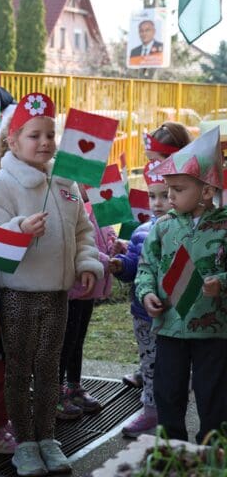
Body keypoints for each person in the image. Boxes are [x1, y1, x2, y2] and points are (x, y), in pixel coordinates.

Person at [0, 93, 102, 476]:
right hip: (18, 295)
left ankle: (47, 438)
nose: (45, 142)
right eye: (34, 135)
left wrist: (86, 262)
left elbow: (83, 230)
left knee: (50, 368)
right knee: (18, 370)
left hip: (57, 295)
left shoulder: (66, 181)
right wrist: (19, 228)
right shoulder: (1, 184)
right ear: (13, 141)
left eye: (50, 134)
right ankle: (24, 444)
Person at [135, 129, 227, 444]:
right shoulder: (163, 227)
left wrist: (221, 283)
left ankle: (212, 447)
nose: (170, 196)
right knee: (168, 390)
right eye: (168, 188)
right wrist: (147, 292)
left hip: (213, 328)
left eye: (178, 189)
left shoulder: (224, 226)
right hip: (170, 326)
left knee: (213, 392)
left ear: (206, 191)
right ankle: (171, 445)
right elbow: (146, 266)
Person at [120, 122, 190, 389]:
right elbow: (144, 262)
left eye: (156, 161)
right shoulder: (152, 221)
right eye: (149, 161)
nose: (151, 168)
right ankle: (149, 375)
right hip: (148, 308)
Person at [109, 162, 171, 438]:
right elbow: (134, 266)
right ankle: (150, 413)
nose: (157, 203)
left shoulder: (188, 231)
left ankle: (171, 415)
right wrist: (121, 265)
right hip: (144, 315)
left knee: (175, 368)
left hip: (175, 316)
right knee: (149, 365)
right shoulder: (141, 232)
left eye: (165, 195)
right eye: (152, 196)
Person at [57, 192, 116, 420]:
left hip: (88, 288)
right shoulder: (67, 203)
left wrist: (114, 244)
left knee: (78, 340)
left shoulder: (95, 203)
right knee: (65, 342)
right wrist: (105, 261)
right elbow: (73, 243)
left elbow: (104, 232)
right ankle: (55, 391)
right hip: (73, 287)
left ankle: (74, 385)